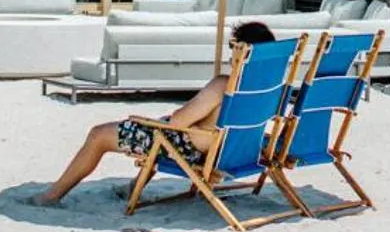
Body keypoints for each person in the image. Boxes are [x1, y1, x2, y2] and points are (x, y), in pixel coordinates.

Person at [37, 21, 279, 204]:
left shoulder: (223, 85)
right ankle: (134, 187)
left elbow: (178, 121)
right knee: (159, 127)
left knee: (99, 135)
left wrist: (177, 118)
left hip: (189, 148)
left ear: (244, 51)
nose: (230, 53)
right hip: (231, 152)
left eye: (233, 47)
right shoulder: (268, 87)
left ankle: (51, 196)